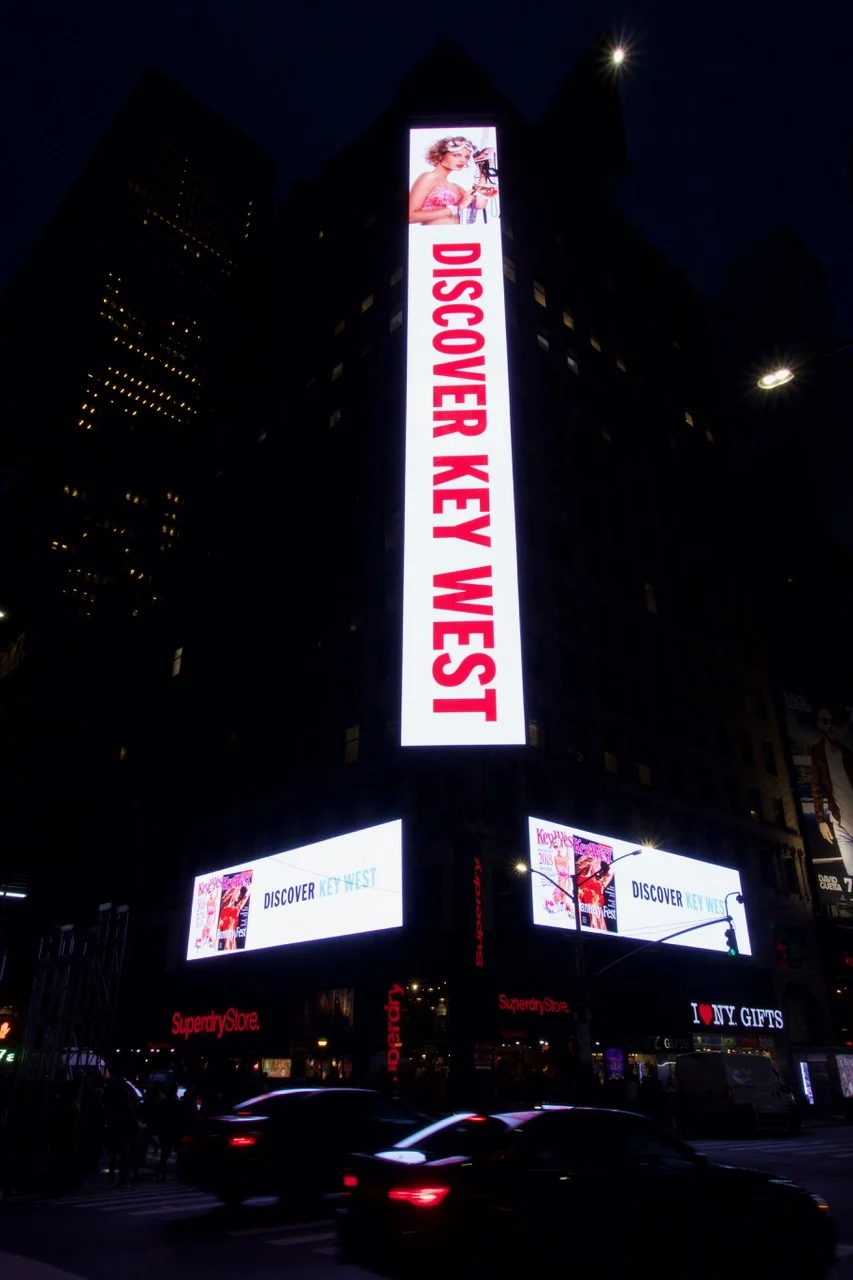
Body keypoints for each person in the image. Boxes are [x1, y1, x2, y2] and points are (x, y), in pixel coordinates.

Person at [408, 137, 497, 226]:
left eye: (466, 157)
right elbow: (410, 216)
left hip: (455, 236)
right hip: (433, 236)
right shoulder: (429, 177)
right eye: (457, 155)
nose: (463, 160)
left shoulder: (455, 187)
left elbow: (479, 204)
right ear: (440, 155)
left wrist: (483, 168)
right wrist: (455, 209)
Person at [811, 707, 853, 876]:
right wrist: (821, 820)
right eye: (825, 722)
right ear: (819, 724)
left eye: (833, 722)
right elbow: (816, 787)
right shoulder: (817, 752)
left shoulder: (847, 752)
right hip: (839, 823)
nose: (830, 726)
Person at [104, 1079, 136, 1188]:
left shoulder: (112, 1103)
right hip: (121, 1131)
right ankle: (120, 1179)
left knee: (115, 1156)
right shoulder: (126, 1103)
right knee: (122, 1156)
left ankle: (114, 1179)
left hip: (116, 1131)